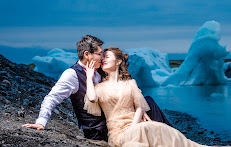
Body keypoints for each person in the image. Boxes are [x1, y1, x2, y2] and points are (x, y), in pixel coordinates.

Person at [83, 47, 231, 147]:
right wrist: (90, 78)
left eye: (107, 57)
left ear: (118, 62)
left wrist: (134, 125)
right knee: (150, 128)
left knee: (164, 131)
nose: (103, 60)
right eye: (103, 58)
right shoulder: (99, 86)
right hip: (117, 133)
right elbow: (91, 97)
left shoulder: (130, 83)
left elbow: (140, 107)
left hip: (133, 126)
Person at [22, 35, 171, 141]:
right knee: (149, 106)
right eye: (100, 54)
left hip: (113, 120)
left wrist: (140, 106)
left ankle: (169, 137)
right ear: (87, 54)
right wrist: (41, 122)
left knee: (147, 102)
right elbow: (51, 98)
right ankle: (169, 138)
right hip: (97, 130)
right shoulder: (72, 74)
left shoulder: (99, 71)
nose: (102, 57)